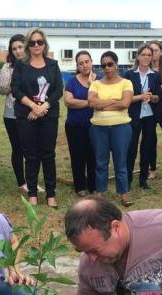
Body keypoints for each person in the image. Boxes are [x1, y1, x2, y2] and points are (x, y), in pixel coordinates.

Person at [11, 28, 63, 208]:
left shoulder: (53, 65)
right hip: (26, 115)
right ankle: (32, 193)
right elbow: (15, 89)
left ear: (44, 43)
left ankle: (51, 194)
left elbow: (58, 90)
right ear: (28, 45)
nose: (36, 45)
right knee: (31, 155)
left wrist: (43, 107)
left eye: (39, 42)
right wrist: (33, 106)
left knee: (48, 154)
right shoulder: (21, 65)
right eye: (32, 42)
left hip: (49, 115)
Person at [88, 51, 134, 207]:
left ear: (116, 65)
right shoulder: (95, 84)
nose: (106, 68)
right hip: (98, 128)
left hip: (121, 128)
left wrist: (103, 103)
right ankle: (100, 192)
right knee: (101, 162)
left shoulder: (126, 83)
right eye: (103, 65)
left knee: (120, 162)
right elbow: (92, 103)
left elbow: (125, 103)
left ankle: (124, 193)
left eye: (110, 64)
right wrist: (115, 101)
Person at [124, 44, 161, 190]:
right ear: (138, 56)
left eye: (149, 55)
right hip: (133, 116)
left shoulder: (156, 76)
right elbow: (126, 98)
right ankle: (127, 180)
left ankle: (143, 180)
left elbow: (159, 97)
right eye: (143, 54)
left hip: (150, 117)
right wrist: (141, 96)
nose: (146, 57)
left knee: (147, 148)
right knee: (131, 148)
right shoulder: (129, 75)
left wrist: (152, 98)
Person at [0, 34, 28, 194]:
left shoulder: (34, 64)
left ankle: (31, 179)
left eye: (20, 47)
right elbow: (2, 89)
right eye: (14, 48)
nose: (18, 51)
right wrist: (16, 83)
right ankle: (21, 182)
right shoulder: (7, 67)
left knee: (31, 148)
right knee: (18, 148)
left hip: (31, 112)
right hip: (12, 113)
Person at [65, 50, 97, 196]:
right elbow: (69, 101)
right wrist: (89, 103)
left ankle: (93, 185)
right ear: (77, 66)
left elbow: (103, 99)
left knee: (93, 156)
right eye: (81, 63)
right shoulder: (72, 81)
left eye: (87, 62)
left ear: (91, 62)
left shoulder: (100, 80)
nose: (84, 65)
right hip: (75, 126)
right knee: (77, 156)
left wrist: (92, 85)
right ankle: (80, 186)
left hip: (96, 126)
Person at [148, 40, 162, 181]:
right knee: (150, 140)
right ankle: (152, 169)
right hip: (149, 108)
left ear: (161, 52)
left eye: (155, 50)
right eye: (150, 50)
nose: (153, 53)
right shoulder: (144, 68)